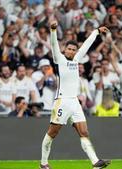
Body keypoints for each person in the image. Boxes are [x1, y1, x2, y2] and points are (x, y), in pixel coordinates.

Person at [39, 20, 110, 169]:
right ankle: (43, 163)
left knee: (84, 132)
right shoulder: (59, 59)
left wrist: (96, 31)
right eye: (69, 49)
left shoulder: (77, 59)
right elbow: (53, 45)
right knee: (52, 133)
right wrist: (53, 31)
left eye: (73, 49)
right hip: (62, 101)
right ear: (65, 50)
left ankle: (95, 162)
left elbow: (86, 45)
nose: (71, 51)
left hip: (74, 102)